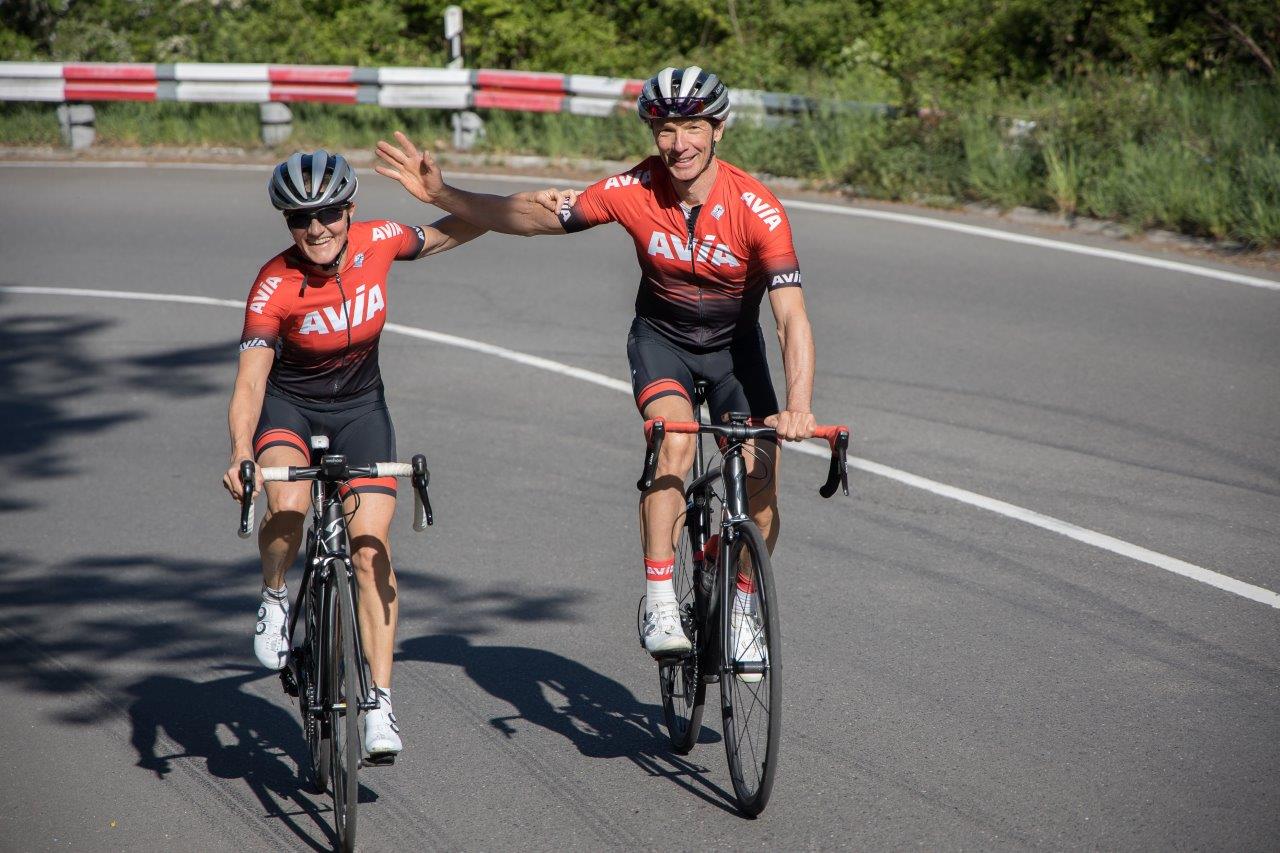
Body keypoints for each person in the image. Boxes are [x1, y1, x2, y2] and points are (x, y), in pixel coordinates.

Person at [374, 66, 817, 675]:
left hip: (736, 352)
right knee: (674, 445)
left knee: (761, 483)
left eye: (692, 127)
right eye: (666, 129)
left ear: (717, 130)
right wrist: (444, 196)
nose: (679, 143)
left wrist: (799, 407)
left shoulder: (757, 209)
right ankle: (660, 598)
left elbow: (790, 317)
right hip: (663, 342)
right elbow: (531, 216)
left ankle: (742, 604)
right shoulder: (633, 188)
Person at [221, 149, 496, 759]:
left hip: (361, 411)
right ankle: (274, 595)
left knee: (371, 549)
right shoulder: (274, 284)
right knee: (288, 504)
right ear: (287, 223)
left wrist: (454, 197)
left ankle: (379, 702)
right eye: (300, 218)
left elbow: (456, 230)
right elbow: (250, 383)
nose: (316, 228)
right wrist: (242, 451)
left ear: (350, 210)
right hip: (290, 409)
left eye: (328, 214)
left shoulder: (380, 240)